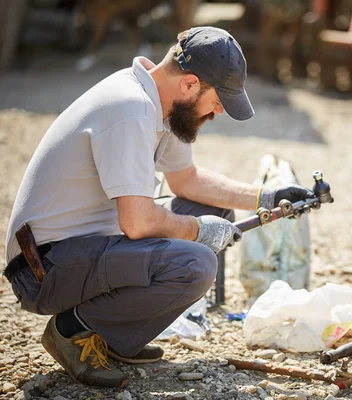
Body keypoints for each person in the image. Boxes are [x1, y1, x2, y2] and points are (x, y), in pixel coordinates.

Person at [3, 26, 314, 388]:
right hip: (42, 267)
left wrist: (268, 196)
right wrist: (199, 231)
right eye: (218, 100)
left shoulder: (158, 101)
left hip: (80, 248)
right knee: (196, 263)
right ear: (189, 84)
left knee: (208, 210)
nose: (219, 111)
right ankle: (73, 330)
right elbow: (137, 222)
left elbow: (188, 181)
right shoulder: (130, 109)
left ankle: (110, 333)